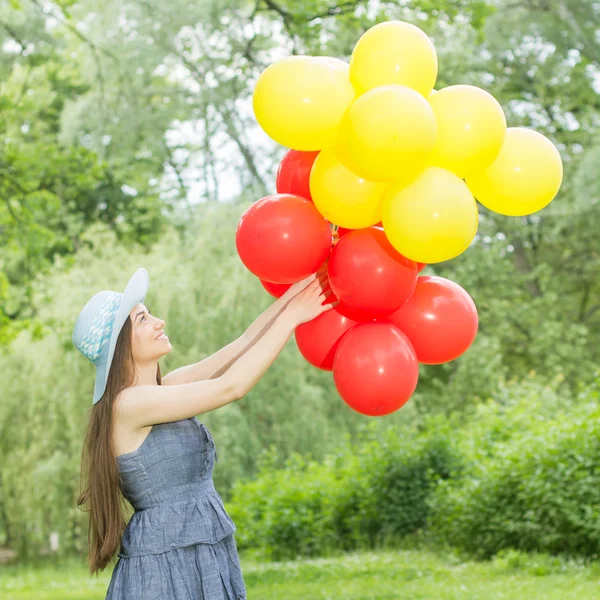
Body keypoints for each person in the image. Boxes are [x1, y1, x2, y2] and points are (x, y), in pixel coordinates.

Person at [72, 265, 336, 600]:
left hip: (196, 552)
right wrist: (294, 316)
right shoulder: (128, 405)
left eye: (150, 314)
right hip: (165, 568)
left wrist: (296, 293)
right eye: (143, 320)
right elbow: (232, 387)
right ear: (121, 346)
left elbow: (242, 345)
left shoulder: (165, 389)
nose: (159, 322)